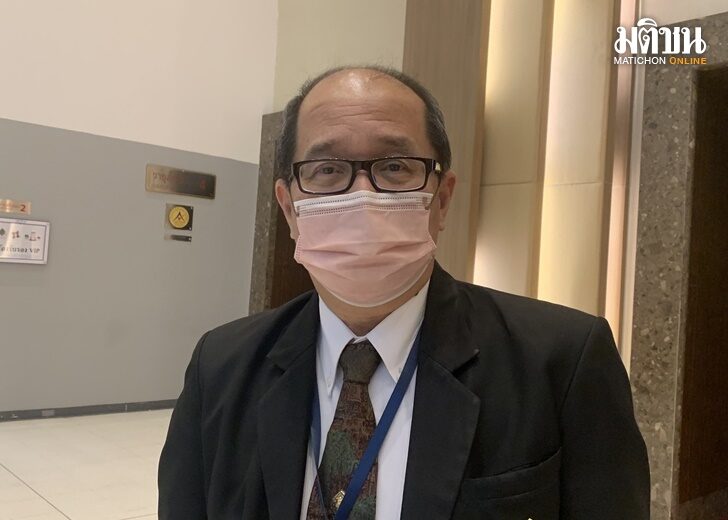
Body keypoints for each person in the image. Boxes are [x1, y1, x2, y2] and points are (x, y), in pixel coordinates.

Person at [158, 66, 650, 519]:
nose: (363, 197)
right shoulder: (221, 366)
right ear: (289, 208)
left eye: (395, 167)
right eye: (327, 170)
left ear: (442, 199)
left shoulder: (561, 363)